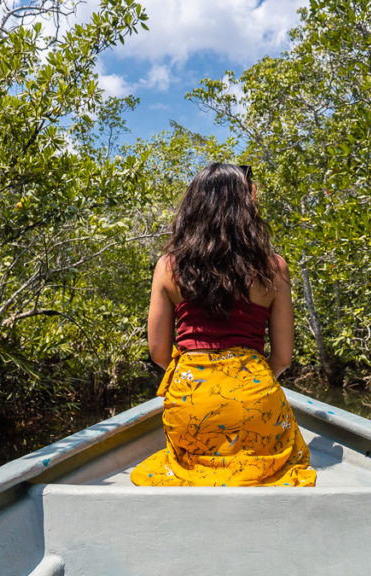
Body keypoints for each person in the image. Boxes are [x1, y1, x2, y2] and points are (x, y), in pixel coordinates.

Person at [130, 163, 316, 487]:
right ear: (244, 208)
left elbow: (159, 353)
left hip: (191, 401)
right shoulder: (274, 267)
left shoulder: (167, 266)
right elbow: (283, 358)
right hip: (255, 397)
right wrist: (244, 387)